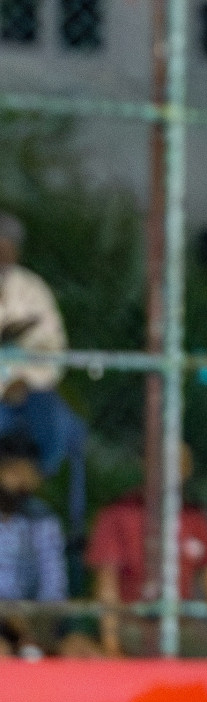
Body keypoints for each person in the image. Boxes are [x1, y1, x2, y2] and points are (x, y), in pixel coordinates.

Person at [85, 443, 207, 657]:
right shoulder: (118, 514)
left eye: (180, 464)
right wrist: (111, 643)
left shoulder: (196, 518)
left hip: (183, 625)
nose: (172, 470)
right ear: (146, 466)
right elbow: (107, 584)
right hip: (133, 623)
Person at [0, 213, 87, 533]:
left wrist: (22, 379)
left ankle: (27, 493)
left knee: (55, 428)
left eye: (7, 247)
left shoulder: (31, 290)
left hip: (30, 389)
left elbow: (52, 348)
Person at [0, 432, 65, 658]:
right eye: (11, 472)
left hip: (30, 618)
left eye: (25, 473)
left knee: (37, 652)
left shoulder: (42, 518)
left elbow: (53, 583)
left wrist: (36, 627)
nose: (18, 481)